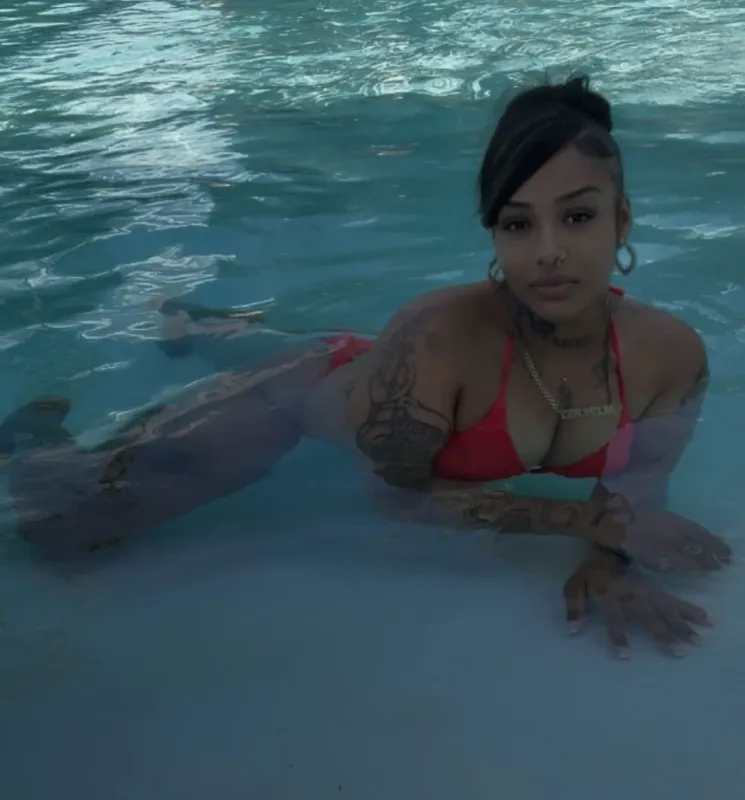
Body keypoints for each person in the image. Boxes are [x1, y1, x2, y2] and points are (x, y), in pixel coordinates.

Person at [0, 76, 730, 658]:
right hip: (302, 395)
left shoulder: (670, 356)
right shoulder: (436, 336)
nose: (547, 251)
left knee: (342, 352)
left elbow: (637, 489)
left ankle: (200, 325)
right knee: (66, 529)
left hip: (377, 368)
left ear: (621, 221)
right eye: (517, 222)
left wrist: (607, 564)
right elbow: (397, 497)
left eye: (577, 216)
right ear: (493, 236)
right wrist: (586, 524)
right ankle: (33, 440)